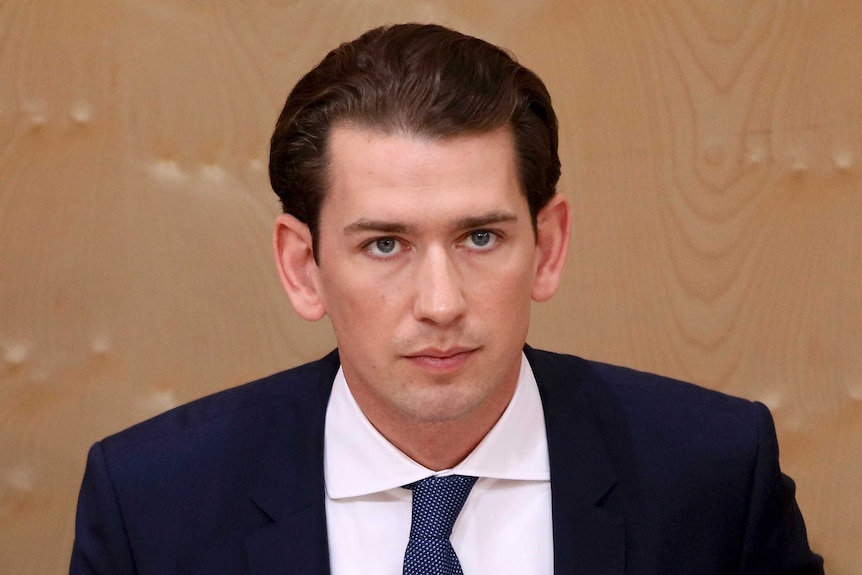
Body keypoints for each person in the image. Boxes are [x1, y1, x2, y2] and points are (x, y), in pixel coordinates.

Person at [70, 23, 824, 575]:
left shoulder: (717, 473)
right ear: (303, 267)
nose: (440, 302)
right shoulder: (151, 506)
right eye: (385, 245)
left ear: (548, 246)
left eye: (481, 238)